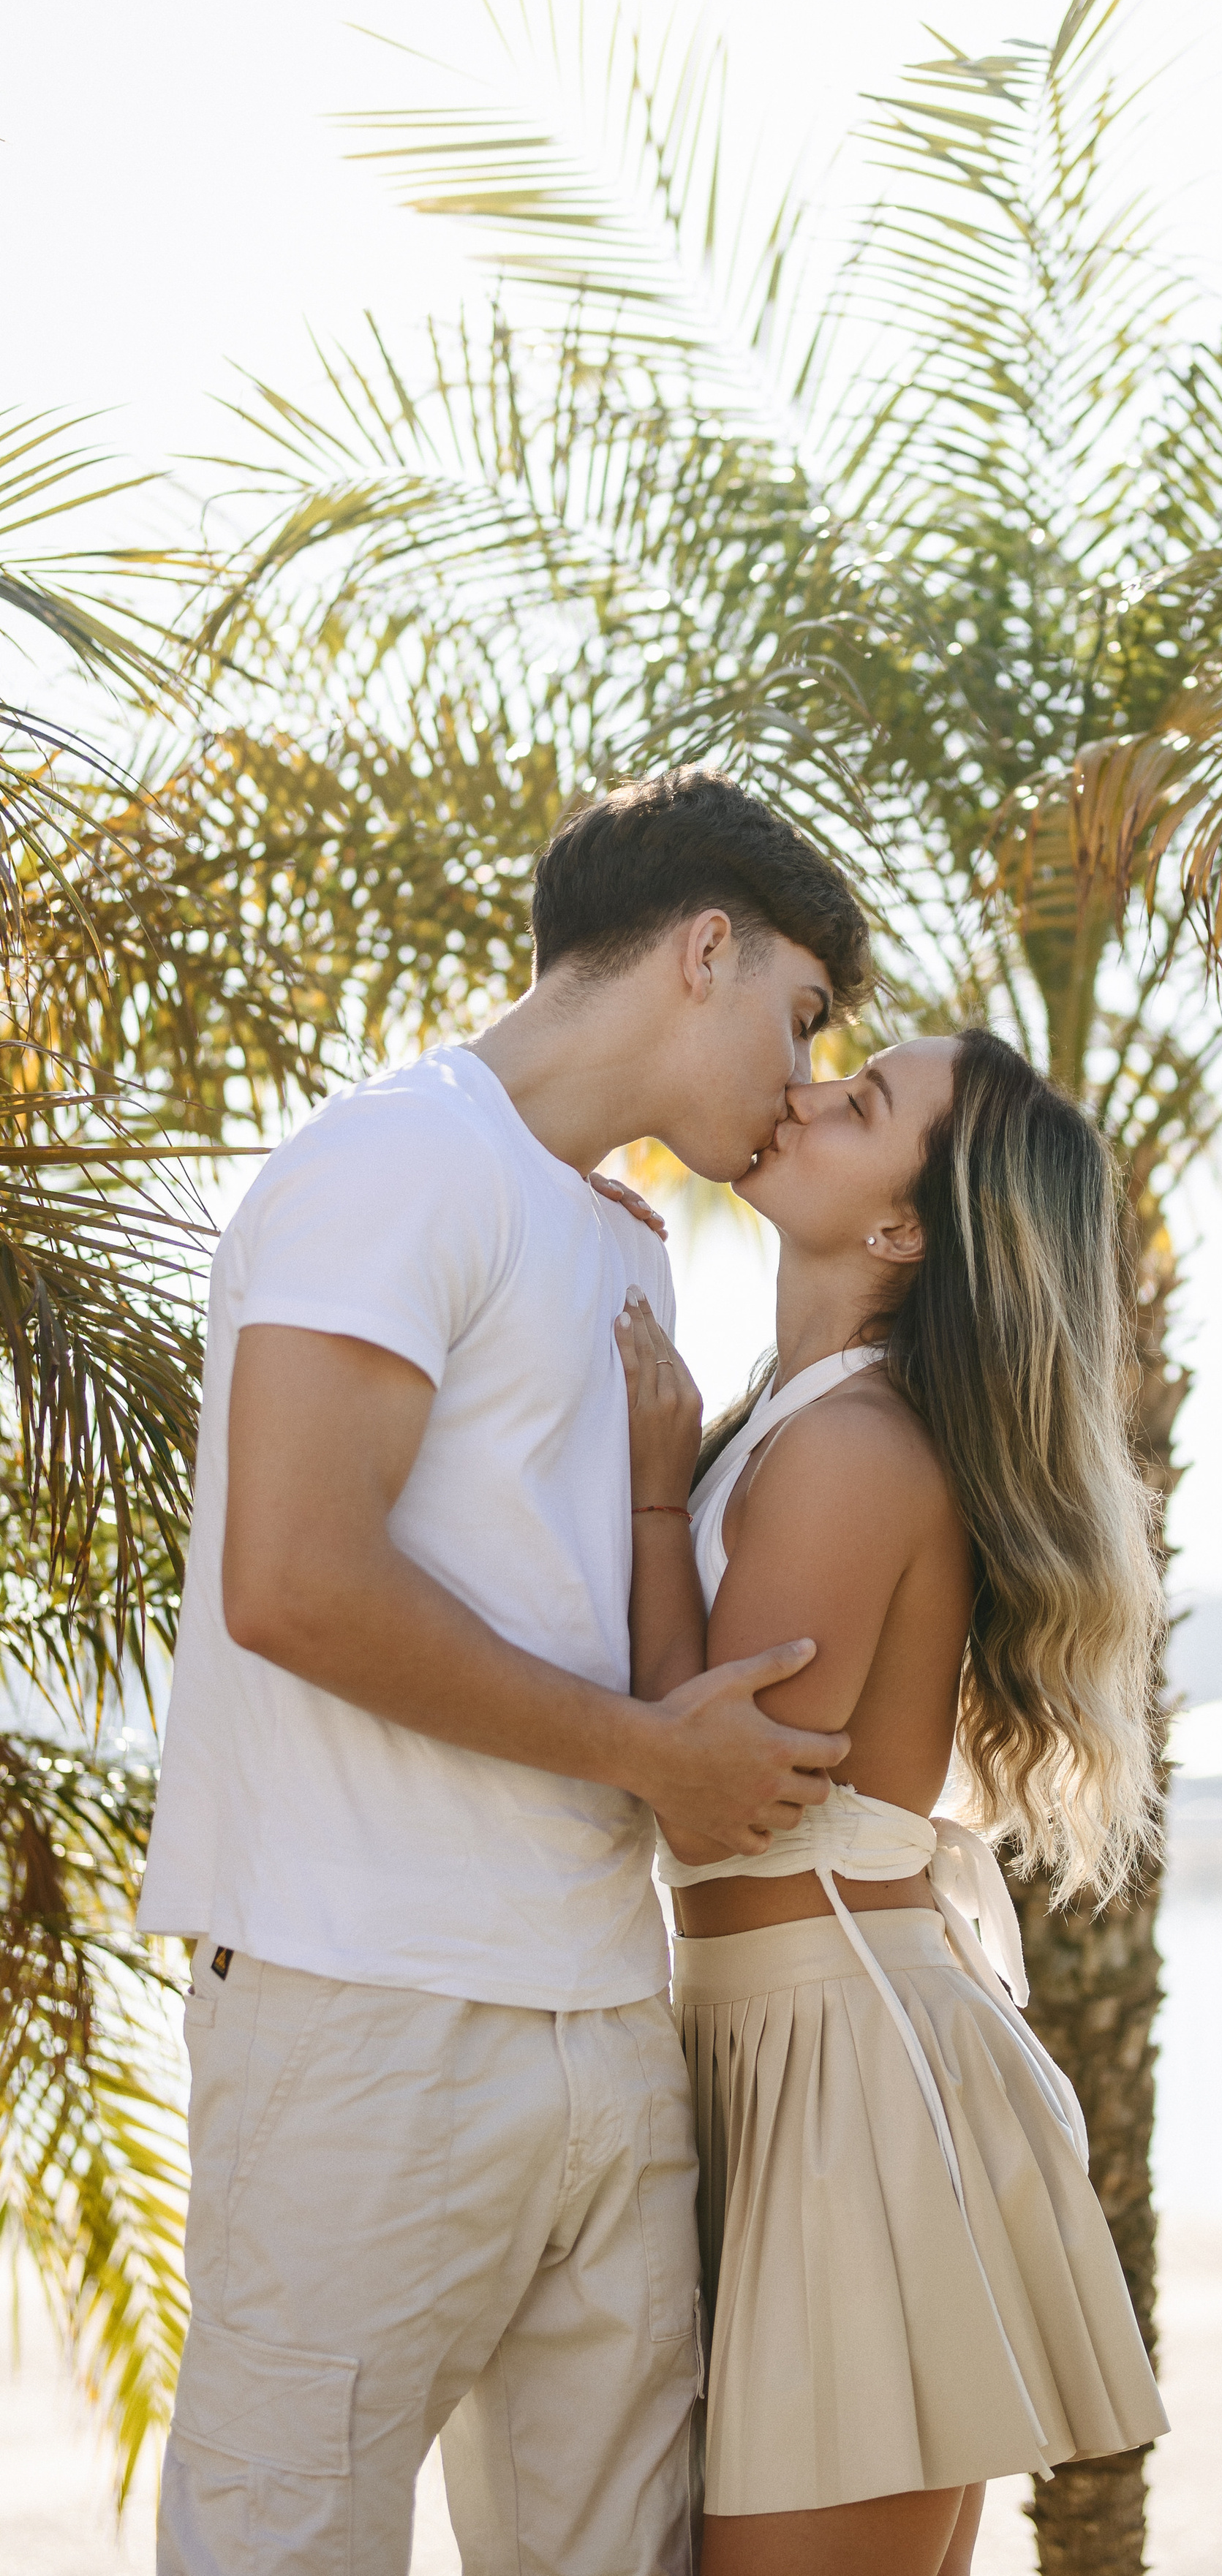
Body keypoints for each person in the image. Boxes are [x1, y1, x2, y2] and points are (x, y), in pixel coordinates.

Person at [138, 769, 872, 2576]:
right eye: (799, 1016)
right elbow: (294, 1581)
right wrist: (645, 1755)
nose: (801, 1078)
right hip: (362, 2010)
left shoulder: (622, 1240)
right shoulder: (396, 1158)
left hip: (602, 2020)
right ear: (707, 947)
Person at [618, 1027, 1169, 2576]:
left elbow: (701, 1795)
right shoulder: (789, 1422)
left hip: (839, 2073)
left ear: (901, 1229)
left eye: (856, 1105)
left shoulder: (849, 1449)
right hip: (784, 2042)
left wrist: (656, 1492)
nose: (798, 1093)